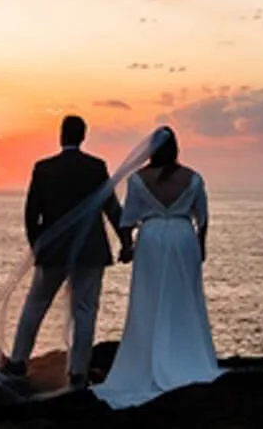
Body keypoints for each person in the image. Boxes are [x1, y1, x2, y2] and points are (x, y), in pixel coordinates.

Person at [91, 125, 223, 409]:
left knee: (147, 301)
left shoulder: (139, 180)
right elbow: (203, 218)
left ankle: (148, 360)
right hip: (182, 237)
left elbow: (128, 220)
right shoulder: (194, 178)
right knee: (183, 299)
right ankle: (186, 356)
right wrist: (201, 246)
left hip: (151, 240)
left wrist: (127, 247)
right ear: (175, 149)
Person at [1, 114, 126, 391]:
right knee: (85, 310)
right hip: (90, 250)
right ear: (83, 136)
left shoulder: (44, 168)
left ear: (61, 135)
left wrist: (37, 247)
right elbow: (111, 207)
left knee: (35, 304)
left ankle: (19, 360)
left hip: (53, 250)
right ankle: (79, 371)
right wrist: (126, 240)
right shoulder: (96, 167)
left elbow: (31, 213)